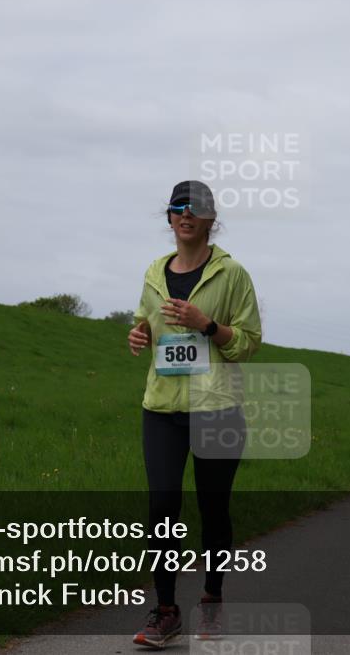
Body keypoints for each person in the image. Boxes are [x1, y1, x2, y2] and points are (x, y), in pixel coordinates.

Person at [128, 181, 262, 648]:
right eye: (178, 207)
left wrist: (207, 324)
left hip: (217, 409)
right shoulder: (153, 270)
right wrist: (138, 335)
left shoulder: (233, 274)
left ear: (210, 219)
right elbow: (145, 319)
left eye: (196, 208)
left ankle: (211, 599)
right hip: (161, 408)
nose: (186, 214)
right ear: (169, 217)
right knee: (162, 506)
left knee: (213, 509)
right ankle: (165, 610)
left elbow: (247, 343)